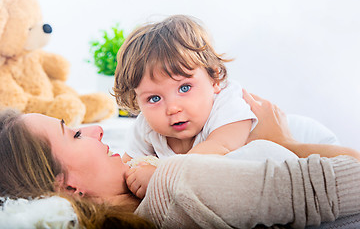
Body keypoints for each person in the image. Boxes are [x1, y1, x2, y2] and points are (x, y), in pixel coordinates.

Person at [0, 95, 360, 228]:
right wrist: (284, 143)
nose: (95, 129)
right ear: (66, 187)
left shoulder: (153, 194)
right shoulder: (176, 184)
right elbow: (340, 185)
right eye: (74, 135)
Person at [113, 14, 258, 163]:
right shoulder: (146, 128)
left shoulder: (228, 106)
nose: (173, 108)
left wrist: (157, 175)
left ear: (214, 79)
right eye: (154, 98)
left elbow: (218, 150)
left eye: (184, 88)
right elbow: (126, 169)